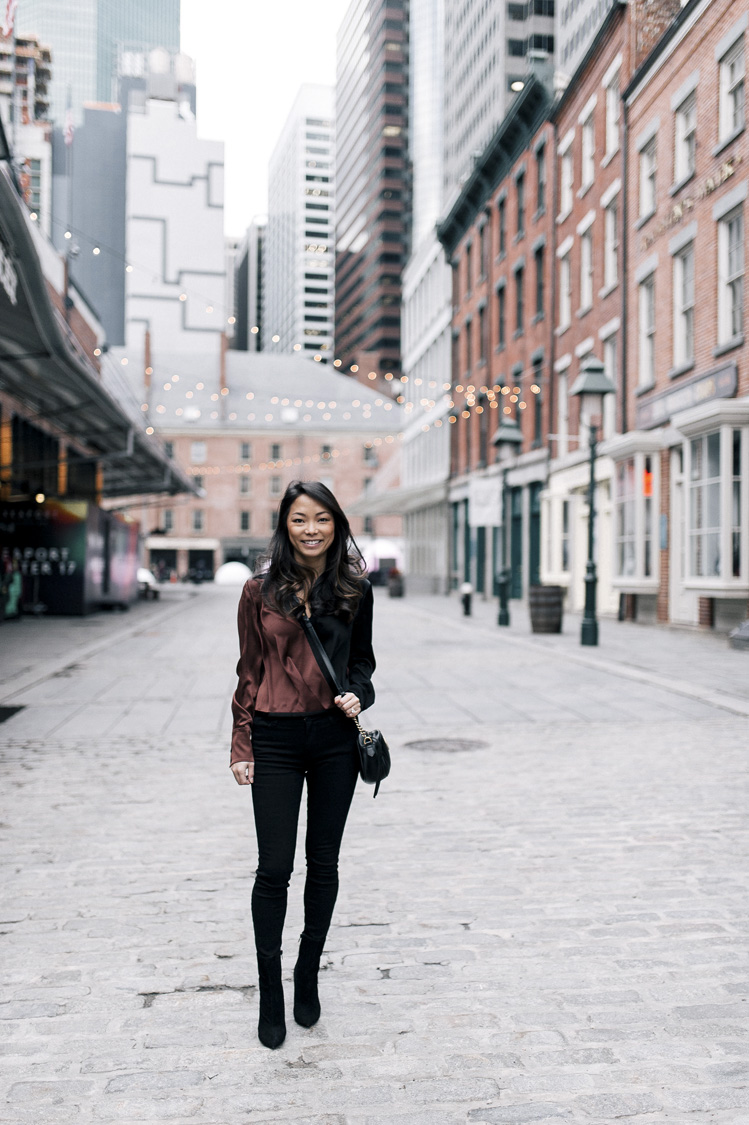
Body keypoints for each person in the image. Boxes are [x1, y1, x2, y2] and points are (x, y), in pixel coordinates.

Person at [230, 480, 376, 1049]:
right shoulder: (257, 591)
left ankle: (307, 972)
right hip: (275, 738)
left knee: (324, 863)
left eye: (321, 519)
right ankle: (270, 989)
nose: (311, 529)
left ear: (336, 524)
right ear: (284, 526)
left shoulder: (355, 590)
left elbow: (362, 665)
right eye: (299, 519)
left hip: (335, 739)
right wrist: (242, 745)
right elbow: (247, 670)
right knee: (273, 868)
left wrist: (357, 696)